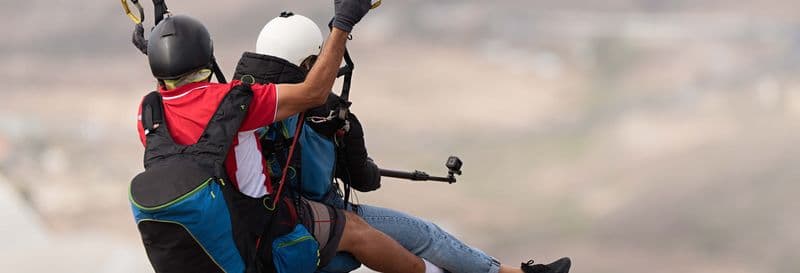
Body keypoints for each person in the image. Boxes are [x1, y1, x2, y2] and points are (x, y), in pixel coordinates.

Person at [232, 12, 573, 273]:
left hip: (263, 220)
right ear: (311, 61)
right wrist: (367, 165)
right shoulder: (329, 112)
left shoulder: (241, 103)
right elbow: (364, 181)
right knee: (426, 236)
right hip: (319, 216)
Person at [133, 2, 441, 272]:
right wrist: (343, 24)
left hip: (211, 237)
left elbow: (185, 104)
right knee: (356, 231)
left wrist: (162, 46)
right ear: (207, 59)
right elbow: (313, 92)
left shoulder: (149, 114)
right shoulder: (238, 101)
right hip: (265, 230)